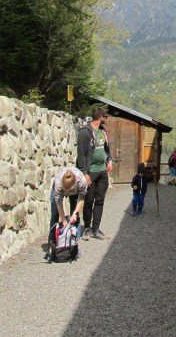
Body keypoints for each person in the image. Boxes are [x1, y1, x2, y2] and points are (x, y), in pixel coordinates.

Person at [76, 106, 113, 240]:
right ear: (101, 117)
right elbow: (81, 154)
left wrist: (109, 160)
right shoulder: (85, 132)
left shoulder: (102, 132)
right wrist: (84, 173)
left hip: (102, 171)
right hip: (90, 172)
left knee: (100, 200)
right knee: (88, 200)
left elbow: (107, 148)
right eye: (105, 117)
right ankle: (87, 228)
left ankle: (95, 229)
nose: (106, 119)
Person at [46, 167, 87, 258]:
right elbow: (59, 203)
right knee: (54, 215)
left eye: (70, 190)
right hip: (58, 192)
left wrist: (75, 213)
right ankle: (52, 246)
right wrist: (64, 220)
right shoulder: (58, 183)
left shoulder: (82, 181)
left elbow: (81, 199)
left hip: (76, 193)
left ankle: (74, 247)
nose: (68, 192)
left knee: (75, 219)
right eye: (66, 190)